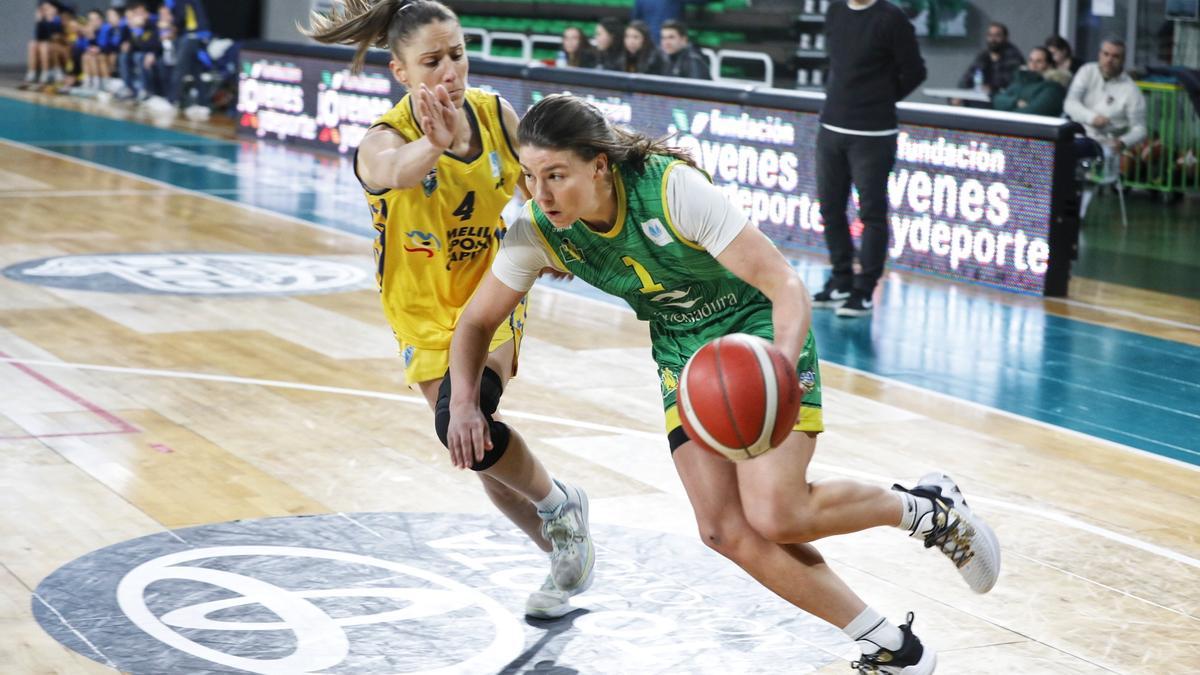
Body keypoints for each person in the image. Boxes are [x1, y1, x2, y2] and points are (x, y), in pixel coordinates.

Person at [446, 93, 1002, 674]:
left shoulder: (671, 191)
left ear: (599, 164)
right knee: (722, 529)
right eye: (531, 177)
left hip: (758, 333)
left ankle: (927, 510)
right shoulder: (537, 230)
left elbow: (785, 285)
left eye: (556, 175)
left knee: (779, 513)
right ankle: (893, 646)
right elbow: (478, 320)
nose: (542, 193)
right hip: (687, 358)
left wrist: (782, 370)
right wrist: (463, 402)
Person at [301, 0, 595, 620]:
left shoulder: (495, 114)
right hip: (419, 311)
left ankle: (560, 509)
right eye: (431, 61)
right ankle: (562, 549)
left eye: (457, 54)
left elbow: (534, 188)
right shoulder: (383, 141)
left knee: (464, 417)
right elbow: (395, 173)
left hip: (490, 295)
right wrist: (430, 148)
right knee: (475, 449)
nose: (450, 72)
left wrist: (559, 235)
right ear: (400, 72)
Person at [813, 0, 925, 317]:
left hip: (873, 134)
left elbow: (916, 71)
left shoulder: (891, 18)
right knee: (830, 208)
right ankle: (841, 279)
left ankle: (864, 290)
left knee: (872, 213)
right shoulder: (835, 11)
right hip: (831, 125)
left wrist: (879, 99)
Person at [1065, 37, 1147, 157]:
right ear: (1099, 54)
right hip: (1076, 136)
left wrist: (1123, 142)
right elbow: (1070, 103)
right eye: (1106, 54)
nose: (1109, 60)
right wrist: (1092, 118)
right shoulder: (1087, 71)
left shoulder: (1131, 90)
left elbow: (1140, 129)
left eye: (1115, 56)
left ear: (1123, 60)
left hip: (1105, 144)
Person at [955, 22, 1023, 101]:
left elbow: (1010, 82)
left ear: (1005, 38)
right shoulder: (984, 55)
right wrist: (959, 94)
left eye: (997, 36)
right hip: (981, 97)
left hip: (1003, 100)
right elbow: (967, 77)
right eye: (990, 35)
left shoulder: (1013, 56)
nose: (993, 39)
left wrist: (991, 88)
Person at [992, 46, 1066, 116]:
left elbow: (1031, 113)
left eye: (1039, 61)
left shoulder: (1054, 88)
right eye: (1031, 60)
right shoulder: (1021, 80)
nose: (1033, 64)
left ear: (1049, 65)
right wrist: (1015, 102)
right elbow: (997, 99)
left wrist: (1005, 109)